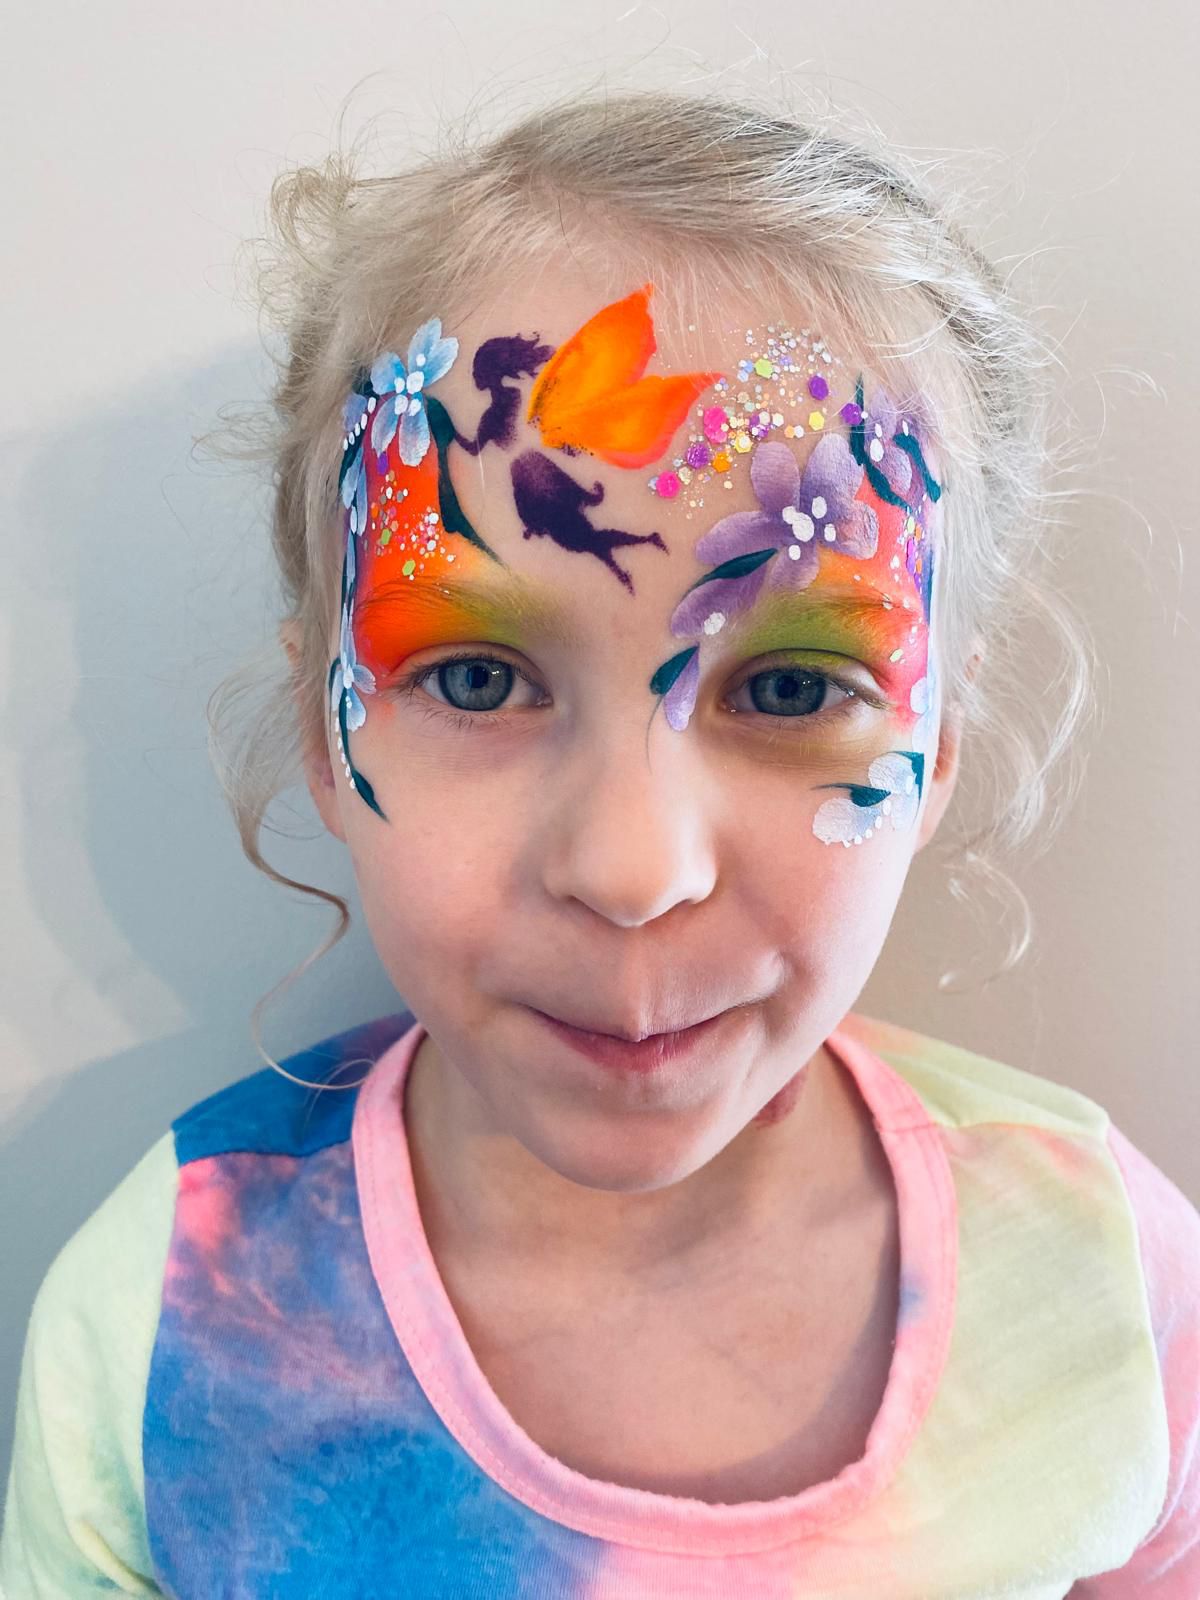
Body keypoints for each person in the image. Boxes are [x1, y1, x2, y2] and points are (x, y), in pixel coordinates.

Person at [2, 88, 1196, 1599]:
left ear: (939, 749)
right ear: (325, 725)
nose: (634, 869)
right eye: (480, 678)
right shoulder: (168, 1328)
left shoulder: (1105, 1281)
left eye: (787, 687)